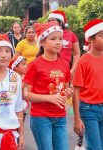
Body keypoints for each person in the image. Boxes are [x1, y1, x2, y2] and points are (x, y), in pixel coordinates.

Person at [23, 21, 73, 150]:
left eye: (60, 39)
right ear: (43, 43)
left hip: (60, 116)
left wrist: (68, 92)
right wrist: (48, 98)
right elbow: (25, 93)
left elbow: (65, 89)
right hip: (41, 117)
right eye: (53, 39)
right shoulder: (34, 65)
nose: (58, 42)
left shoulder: (65, 64)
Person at [72, 19, 103, 150]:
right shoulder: (84, 60)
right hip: (88, 110)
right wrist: (77, 118)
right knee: (95, 147)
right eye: (102, 36)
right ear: (90, 39)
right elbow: (76, 91)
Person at [48, 10, 80, 77]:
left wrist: (73, 69)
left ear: (60, 21)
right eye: (49, 21)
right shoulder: (46, 34)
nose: (50, 22)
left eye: (52, 20)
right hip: (49, 70)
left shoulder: (71, 34)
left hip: (66, 70)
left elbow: (76, 54)